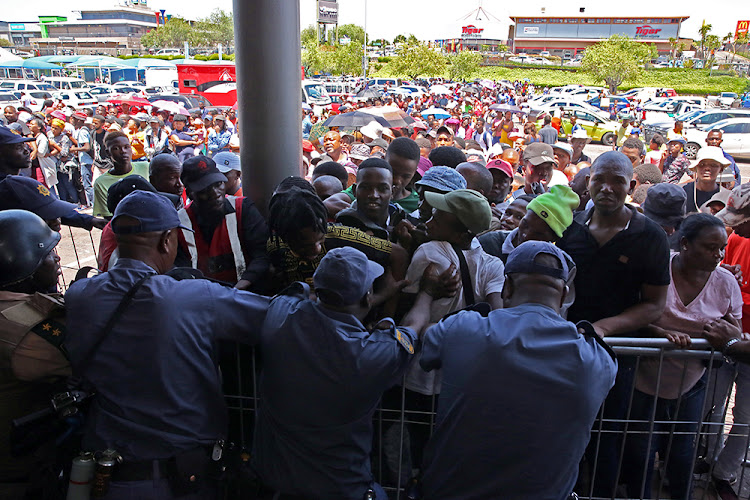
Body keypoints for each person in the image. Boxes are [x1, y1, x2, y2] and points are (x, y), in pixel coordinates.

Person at [65, 191, 270, 500]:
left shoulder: (79, 296)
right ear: (166, 241)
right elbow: (277, 317)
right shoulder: (194, 297)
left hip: (106, 477)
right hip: (181, 480)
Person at [419, 241, 617, 500]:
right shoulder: (596, 358)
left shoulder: (464, 328)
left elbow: (427, 344)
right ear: (564, 294)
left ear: (507, 287)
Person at [252, 247, 451, 499]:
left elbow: (297, 297)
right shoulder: (371, 355)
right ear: (367, 297)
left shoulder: (279, 318)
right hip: (342, 486)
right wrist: (426, 292)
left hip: (275, 481)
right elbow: (413, 326)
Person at [558, 151, 670, 497]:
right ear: (587, 183)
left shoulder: (650, 236)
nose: (606, 188)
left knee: (609, 438)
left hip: (618, 357)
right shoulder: (568, 226)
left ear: (632, 186)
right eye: (599, 180)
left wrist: (605, 328)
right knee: (562, 432)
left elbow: (654, 304)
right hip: (566, 350)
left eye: (617, 181)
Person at [623, 213, 741, 499]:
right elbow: (627, 312)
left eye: (721, 248)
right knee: (640, 452)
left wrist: (720, 336)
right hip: (643, 379)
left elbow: (734, 329)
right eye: (710, 247)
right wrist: (656, 332)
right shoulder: (656, 269)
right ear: (686, 244)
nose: (718, 255)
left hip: (690, 382)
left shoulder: (725, 282)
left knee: (683, 453)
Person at [0, 210, 69, 500]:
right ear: (26, 263)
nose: (58, 260)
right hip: (21, 473)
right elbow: (96, 359)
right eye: (50, 254)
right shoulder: (27, 330)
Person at [175, 155, 269, 290]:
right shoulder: (180, 222)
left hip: (245, 294)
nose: (215, 193)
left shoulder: (243, 209)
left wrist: (238, 288)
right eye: (205, 189)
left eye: (218, 184)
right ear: (190, 193)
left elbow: (262, 255)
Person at [92, 131, 150, 218]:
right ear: (108, 152)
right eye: (116, 148)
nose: (123, 151)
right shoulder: (101, 183)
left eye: (126, 147)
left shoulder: (146, 167)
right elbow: (109, 217)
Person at [682, 146, 731, 214]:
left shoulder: (729, 198)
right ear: (696, 167)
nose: (707, 168)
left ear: (721, 169)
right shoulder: (681, 193)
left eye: (713, 165)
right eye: (702, 164)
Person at [386, 137, 421, 213]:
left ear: (414, 172)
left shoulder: (417, 205)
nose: (397, 181)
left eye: (406, 176)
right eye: (392, 172)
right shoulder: (363, 192)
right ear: (383, 160)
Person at [70, 111, 94, 206]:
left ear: (79, 120)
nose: (72, 120)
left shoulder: (83, 131)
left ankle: (92, 205)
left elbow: (86, 147)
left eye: (74, 119)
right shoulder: (83, 130)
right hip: (87, 161)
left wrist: (74, 149)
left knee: (87, 185)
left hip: (86, 162)